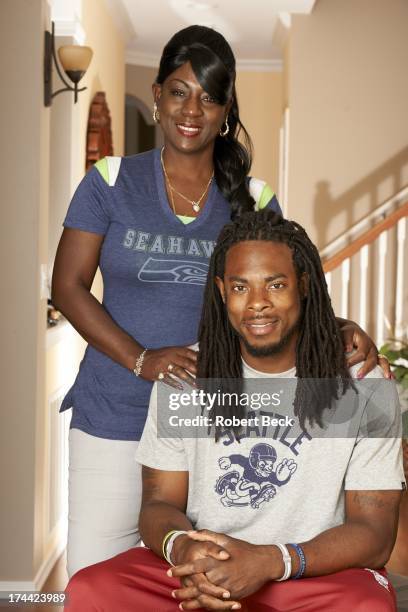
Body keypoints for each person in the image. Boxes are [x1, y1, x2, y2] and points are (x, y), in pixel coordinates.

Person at [52, 26, 387, 578]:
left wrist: (341, 324)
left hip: (212, 423)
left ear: (227, 110)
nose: (192, 109)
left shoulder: (253, 198)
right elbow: (68, 285)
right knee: (101, 580)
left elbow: (281, 288)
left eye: (210, 96)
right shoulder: (110, 181)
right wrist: (142, 358)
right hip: (115, 413)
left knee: (208, 577)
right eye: (179, 91)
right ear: (157, 94)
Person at [65, 211, 405, 612]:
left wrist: (270, 561)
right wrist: (185, 550)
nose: (258, 303)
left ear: (305, 286)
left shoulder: (364, 385)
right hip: (204, 571)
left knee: (364, 606)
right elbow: (159, 504)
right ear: (222, 291)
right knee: (90, 590)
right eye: (241, 287)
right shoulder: (186, 378)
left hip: (307, 571)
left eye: (276, 285)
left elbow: (374, 533)